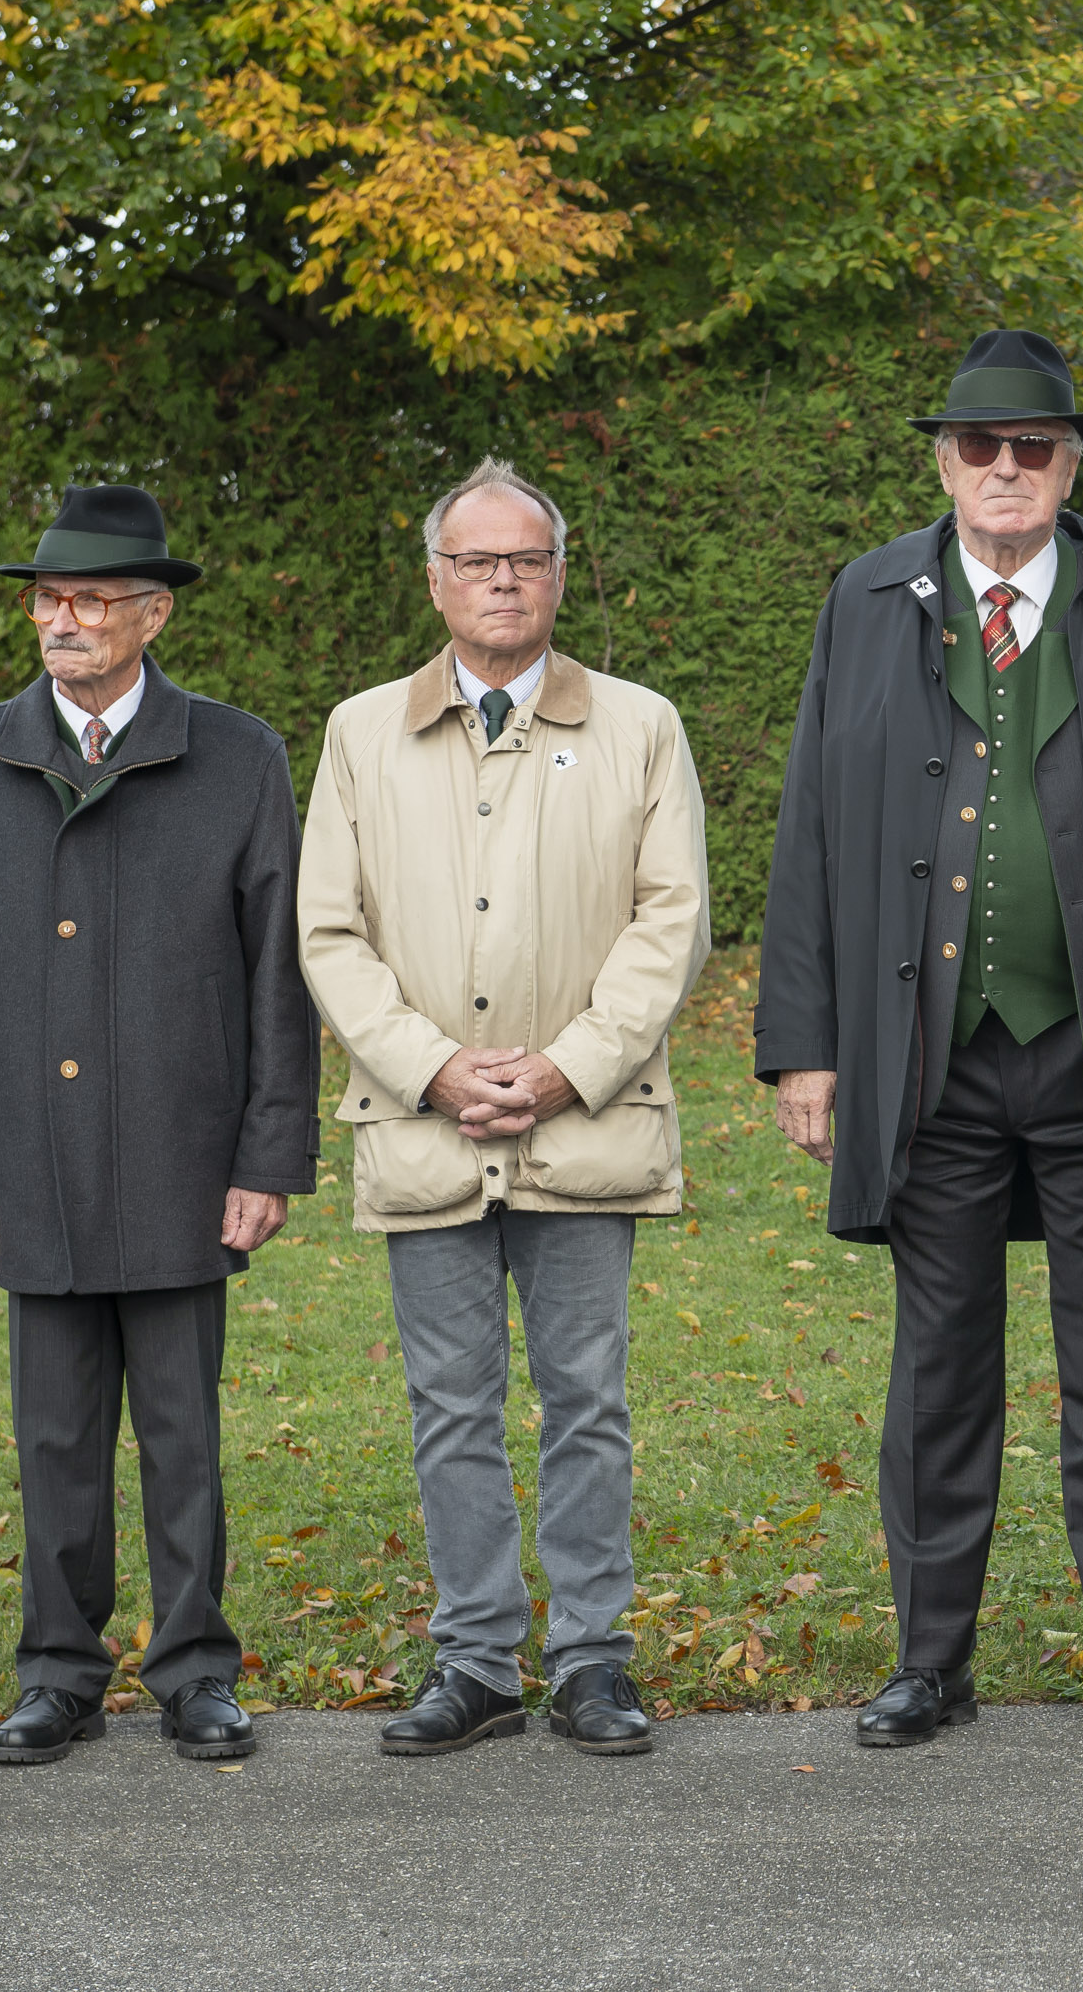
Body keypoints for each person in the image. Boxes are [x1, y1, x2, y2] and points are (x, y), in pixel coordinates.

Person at [757, 330, 1083, 1753]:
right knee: (940, 1360)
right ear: (944, 461)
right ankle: (930, 1660)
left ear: (1070, 463)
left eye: (1034, 447)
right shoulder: (867, 598)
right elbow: (809, 827)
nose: (1007, 468)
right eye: (981, 446)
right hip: (930, 1052)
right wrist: (806, 1043)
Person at [298, 457, 710, 1758]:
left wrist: (567, 1064)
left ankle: (593, 1657)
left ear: (558, 575)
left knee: (588, 1398)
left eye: (524, 559)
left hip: (586, 1125)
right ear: (436, 580)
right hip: (425, 1130)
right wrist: (430, 1064)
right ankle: (475, 1657)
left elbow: (672, 918)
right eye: (476, 561)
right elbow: (328, 927)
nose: (501, 581)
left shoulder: (639, 724)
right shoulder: (363, 732)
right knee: (452, 1405)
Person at [0, 484, 319, 1766]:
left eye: (87, 600)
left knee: (185, 1432)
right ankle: (59, 1667)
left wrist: (268, 1153)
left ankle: (196, 1667)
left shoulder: (237, 754)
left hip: (188, 1156)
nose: (62, 621)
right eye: (46, 600)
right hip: (29, 1162)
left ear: (153, 612)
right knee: (54, 1432)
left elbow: (276, 970)